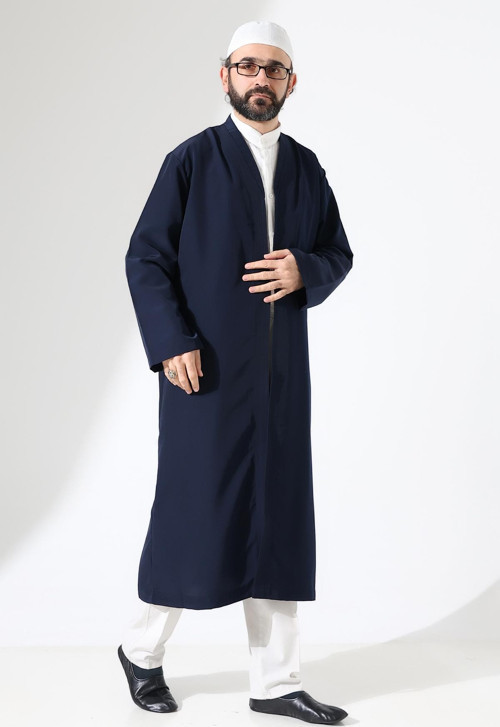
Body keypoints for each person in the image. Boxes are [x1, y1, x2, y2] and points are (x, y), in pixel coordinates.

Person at [118, 19, 353, 724]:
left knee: (279, 518)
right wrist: (173, 342)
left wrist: (304, 268)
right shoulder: (192, 160)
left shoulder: (306, 167)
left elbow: (337, 252)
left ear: (291, 82)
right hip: (205, 375)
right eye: (247, 66)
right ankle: (142, 651)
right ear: (225, 76)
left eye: (273, 69)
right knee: (195, 514)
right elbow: (146, 258)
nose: (260, 78)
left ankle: (276, 681)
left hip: (281, 381)